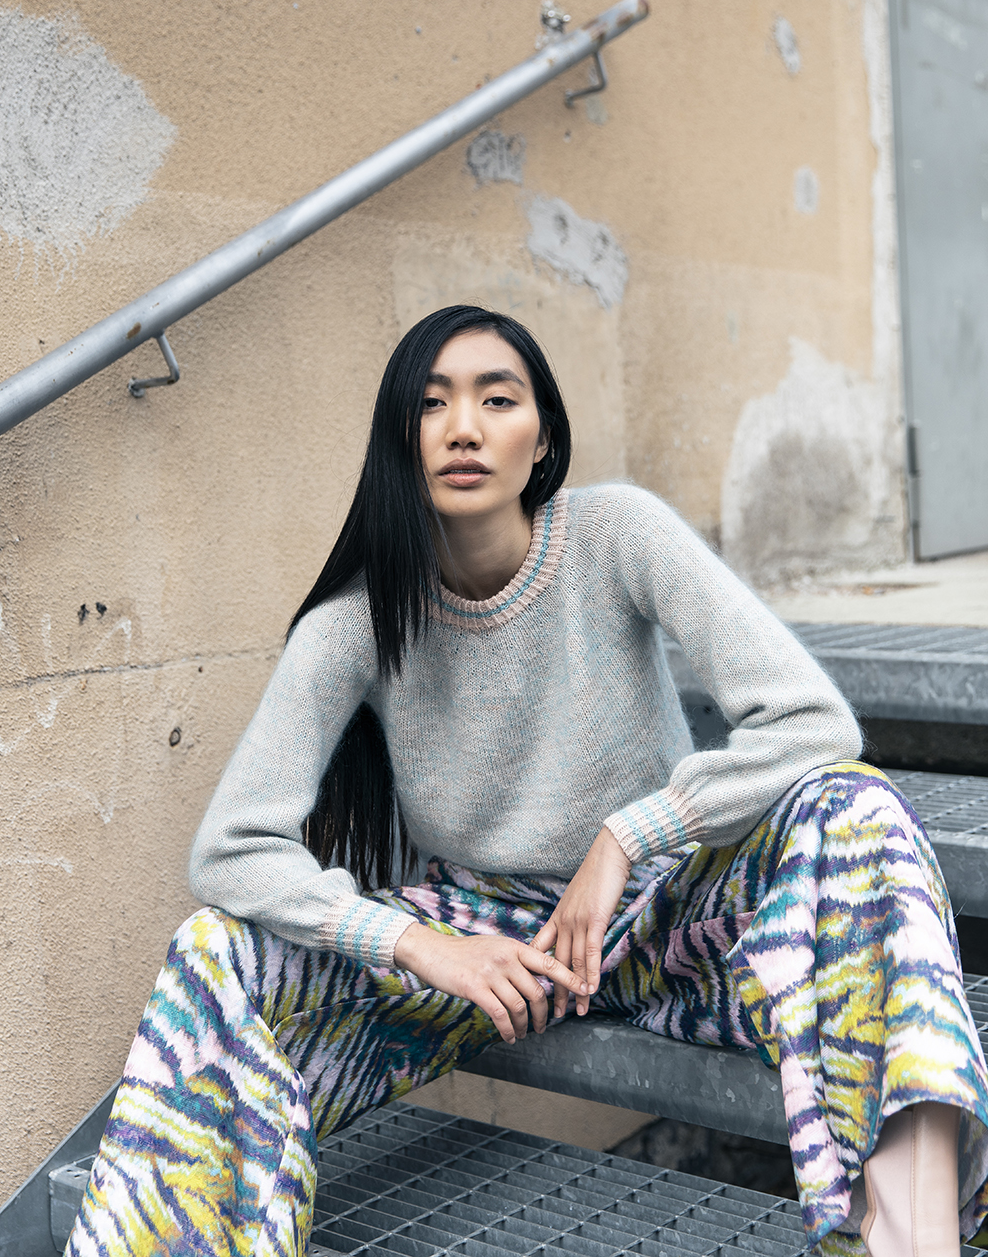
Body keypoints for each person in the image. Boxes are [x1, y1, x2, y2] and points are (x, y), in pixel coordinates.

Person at [67, 305, 988, 1257]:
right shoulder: (354, 623)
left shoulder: (617, 532)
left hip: (670, 918)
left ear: (542, 437)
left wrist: (629, 835)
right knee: (213, 951)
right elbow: (231, 849)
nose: (464, 428)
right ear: (400, 437)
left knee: (859, 809)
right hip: (489, 950)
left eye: (497, 400)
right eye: (433, 404)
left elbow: (812, 722)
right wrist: (421, 944)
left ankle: (908, 1241)